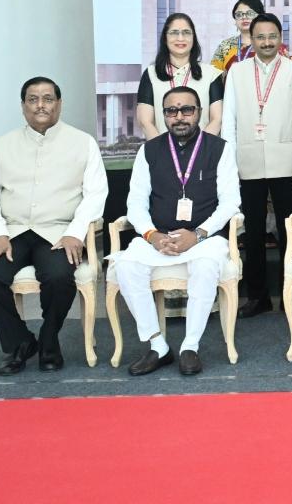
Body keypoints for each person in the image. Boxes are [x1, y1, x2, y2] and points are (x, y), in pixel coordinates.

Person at [0, 77, 107, 375]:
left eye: (48, 98)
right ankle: (20, 342)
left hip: (59, 232)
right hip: (12, 232)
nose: (40, 105)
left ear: (59, 104)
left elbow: (96, 194)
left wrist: (75, 232)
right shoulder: (1, 145)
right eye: (33, 99)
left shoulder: (83, 143)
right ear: (23, 106)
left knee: (58, 276)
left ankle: (49, 339)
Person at [111, 86, 240, 376]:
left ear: (199, 113)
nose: (179, 117)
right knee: (126, 266)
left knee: (206, 266)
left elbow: (231, 202)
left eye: (187, 110)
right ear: (163, 115)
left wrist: (199, 234)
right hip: (158, 237)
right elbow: (135, 203)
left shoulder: (219, 149)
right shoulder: (149, 150)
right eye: (171, 111)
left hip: (204, 238)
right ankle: (158, 345)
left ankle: (190, 346)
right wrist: (152, 236)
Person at [221, 13, 292, 318]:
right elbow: (229, 121)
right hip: (247, 161)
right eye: (260, 37)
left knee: (290, 231)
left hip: (287, 161)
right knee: (253, 231)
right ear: (252, 39)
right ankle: (257, 296)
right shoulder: (237, 72)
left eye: (272, 36)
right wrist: (229, 163)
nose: (267, 42)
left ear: (280, 37)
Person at [136, 13, 223, 138]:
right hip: (161, 148)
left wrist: (201, 147)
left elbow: (217, 119)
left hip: (204, 148)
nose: (180, 38)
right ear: (165, 38)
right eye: (174, 33)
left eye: (186, 32)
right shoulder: (151, 74)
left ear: (193, 38)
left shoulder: (211, 74)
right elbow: (145, 122)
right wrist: (161, 148)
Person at [210, 0, 289, 73]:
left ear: (260, 16)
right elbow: (214, 75)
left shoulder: (273, 45)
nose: (244, 17)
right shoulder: (225, 46)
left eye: (250, 13)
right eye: (239, 14)